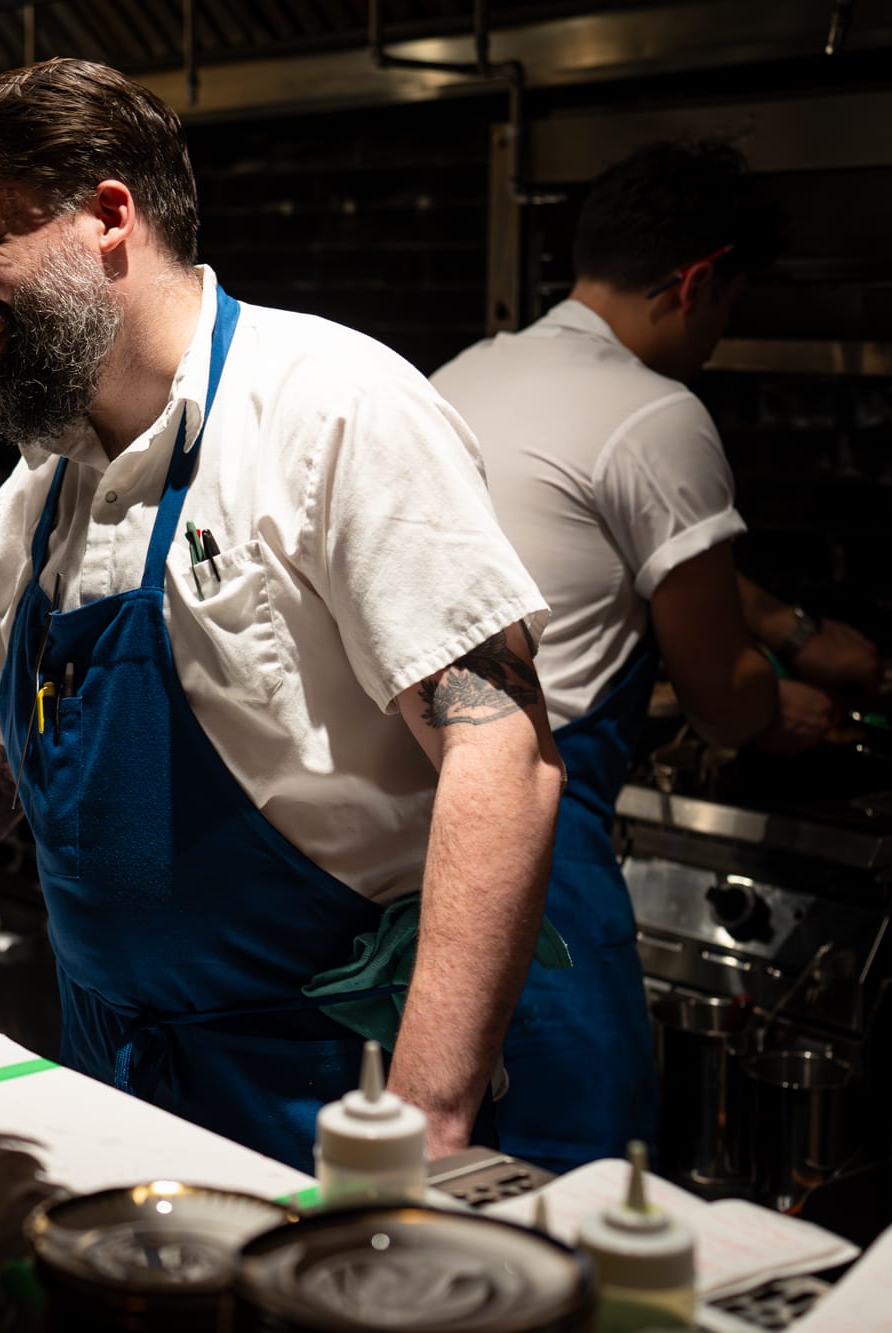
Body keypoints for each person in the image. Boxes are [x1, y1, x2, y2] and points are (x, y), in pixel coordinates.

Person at [0, 59, 567, 1175]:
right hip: (108, 1071)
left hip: (322, 1088)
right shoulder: (41, 486)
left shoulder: (330, 407)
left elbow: (499, 747)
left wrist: (418, 1127)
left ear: (108, 216)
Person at [430, 139, 882, 1173]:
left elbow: (608, 538)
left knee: (445, 1152)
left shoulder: (464, 372)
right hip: (534, 844)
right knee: (576, 1159)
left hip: (406, 824)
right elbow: (722, 704)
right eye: (726, 306)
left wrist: (789, 628)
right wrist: (779, 704)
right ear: (694, 282)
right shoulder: (656, 412)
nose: (718, 335)